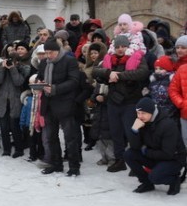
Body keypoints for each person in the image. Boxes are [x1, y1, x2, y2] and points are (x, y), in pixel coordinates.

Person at [92, 35, 149, 173]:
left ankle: (136, 162)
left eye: (123, 46)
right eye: (117, 47)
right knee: (115, 132)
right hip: (113, 102)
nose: (120, 49)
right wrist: (108, 73)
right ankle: (119, 160)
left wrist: (119, 76)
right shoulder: (109, 59)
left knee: (132, 133)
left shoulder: (136, 57)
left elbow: (142, 73)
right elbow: (95, 70)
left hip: (131, 102)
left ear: (128, 46)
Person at [36, 38, 82, 176]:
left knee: (70, 137)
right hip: (48, 104)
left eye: (51, 52)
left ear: (58, 51)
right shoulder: (44, 62)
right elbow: (39, 76)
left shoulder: (69, 61)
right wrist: (39, 83)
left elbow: (74, 81)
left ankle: (74, 167)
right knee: (51, 137)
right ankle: (56, 164)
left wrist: (55, 88)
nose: (48, 55)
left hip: (65, 104)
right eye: (46, 52)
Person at [124, 97, 185, 195]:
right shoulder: (142, 122)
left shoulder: (167, 125)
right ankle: (147, 183)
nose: (140, 116)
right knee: (129, 154)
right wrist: (134, 130)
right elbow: (135, 147)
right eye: (138, 113)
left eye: (143, 113)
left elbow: (168, 154)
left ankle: (174, 180)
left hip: (173, 160)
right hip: (154, 155)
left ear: (151, 112)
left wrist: (146, 151)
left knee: (155, 177)